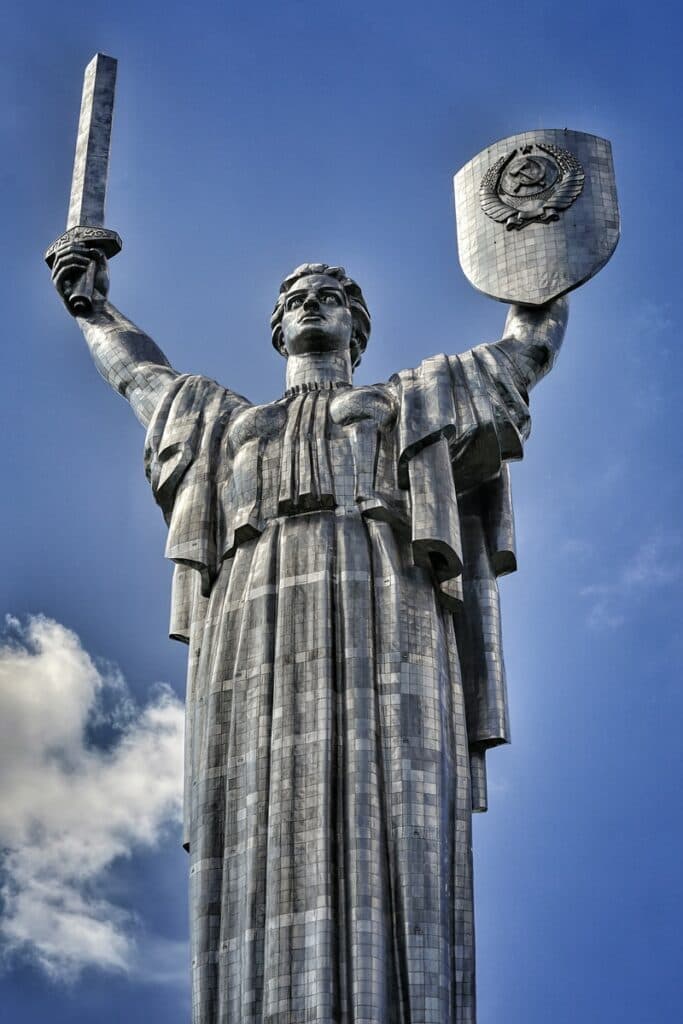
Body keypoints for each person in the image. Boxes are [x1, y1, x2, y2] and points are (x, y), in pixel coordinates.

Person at [51, 245, 568, 1024]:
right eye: (296, 297)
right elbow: (139, 377)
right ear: (276, 327)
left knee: (394, 794)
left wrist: (543, 267)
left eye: (331, 297)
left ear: (356, 328)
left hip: (382, 586)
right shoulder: (226, 421)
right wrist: (95, 311)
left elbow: (522, 353)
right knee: (254, 812)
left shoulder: (408, 400)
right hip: (252, 600)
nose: (311, 303)